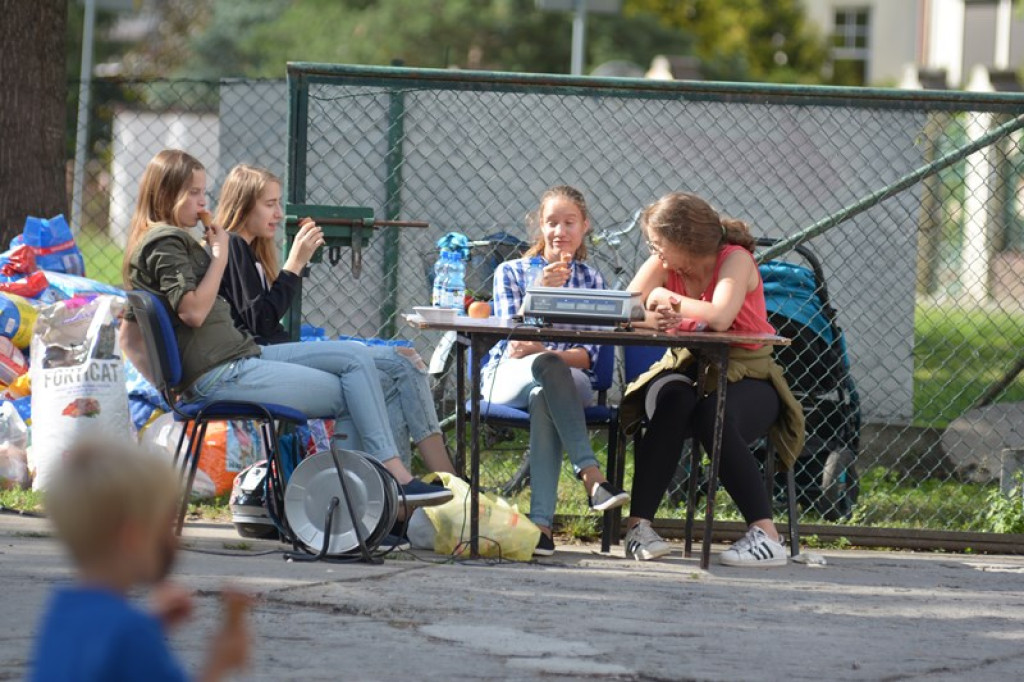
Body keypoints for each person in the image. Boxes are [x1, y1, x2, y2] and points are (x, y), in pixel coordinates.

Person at [120, 149, 452, 509]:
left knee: (358, 364)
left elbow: (129, 336)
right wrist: (219, 257)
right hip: (225, 371)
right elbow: (194, 312)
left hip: (238, 360)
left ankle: (373, 504)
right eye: (195, 193)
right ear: (167, 194)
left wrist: (169, 385)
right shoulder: (166, 242)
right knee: (358, 385)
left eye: (204, 192)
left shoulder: (164, 240)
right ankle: (380, 493)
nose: (204, 202)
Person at [213, 163, 454, 476]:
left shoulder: (250, 252)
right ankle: (442, 481)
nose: (277, 214)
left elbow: (265, 322)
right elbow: (259, 322)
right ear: (243, 205)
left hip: (274, 354)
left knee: (393, 374)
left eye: (278, 204)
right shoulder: (233, 246)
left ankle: (390, 491)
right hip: (259, 360)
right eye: (269, 204)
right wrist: (294, 264)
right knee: (400, 362)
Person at [620, 191, 804, 566]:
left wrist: (662, 297)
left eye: (659, 244)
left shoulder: (735, 259)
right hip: (687, 366)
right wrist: (647, 318)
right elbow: (624, 308)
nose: (655, 252)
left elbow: (720, 316)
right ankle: (638, 529)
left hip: (748, 373)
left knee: (711, 415)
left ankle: (767, 536)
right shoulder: (665, 263)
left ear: (684, 241)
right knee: (674, 401)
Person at [484, 185, 629, 557]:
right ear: (540, 227)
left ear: (584, 227)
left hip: (571, 383)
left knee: (545, 386)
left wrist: (546, 351)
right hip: (508, 376)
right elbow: (514, 344)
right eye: (552, 223)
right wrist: (538, 293)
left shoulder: (593, 280)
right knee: (544, 372)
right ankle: (592, 478)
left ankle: (543, 531)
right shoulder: (511, 273)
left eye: (569, 222)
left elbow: (589, 357)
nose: (560, 231)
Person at [30, 437, 250, 681]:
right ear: (132, 537)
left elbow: (103, 657)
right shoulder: (131, 634)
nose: (177, 540)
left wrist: (153, 625)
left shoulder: (63, 613)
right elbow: (123, 644)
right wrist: (220, 661)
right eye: (168, 525)